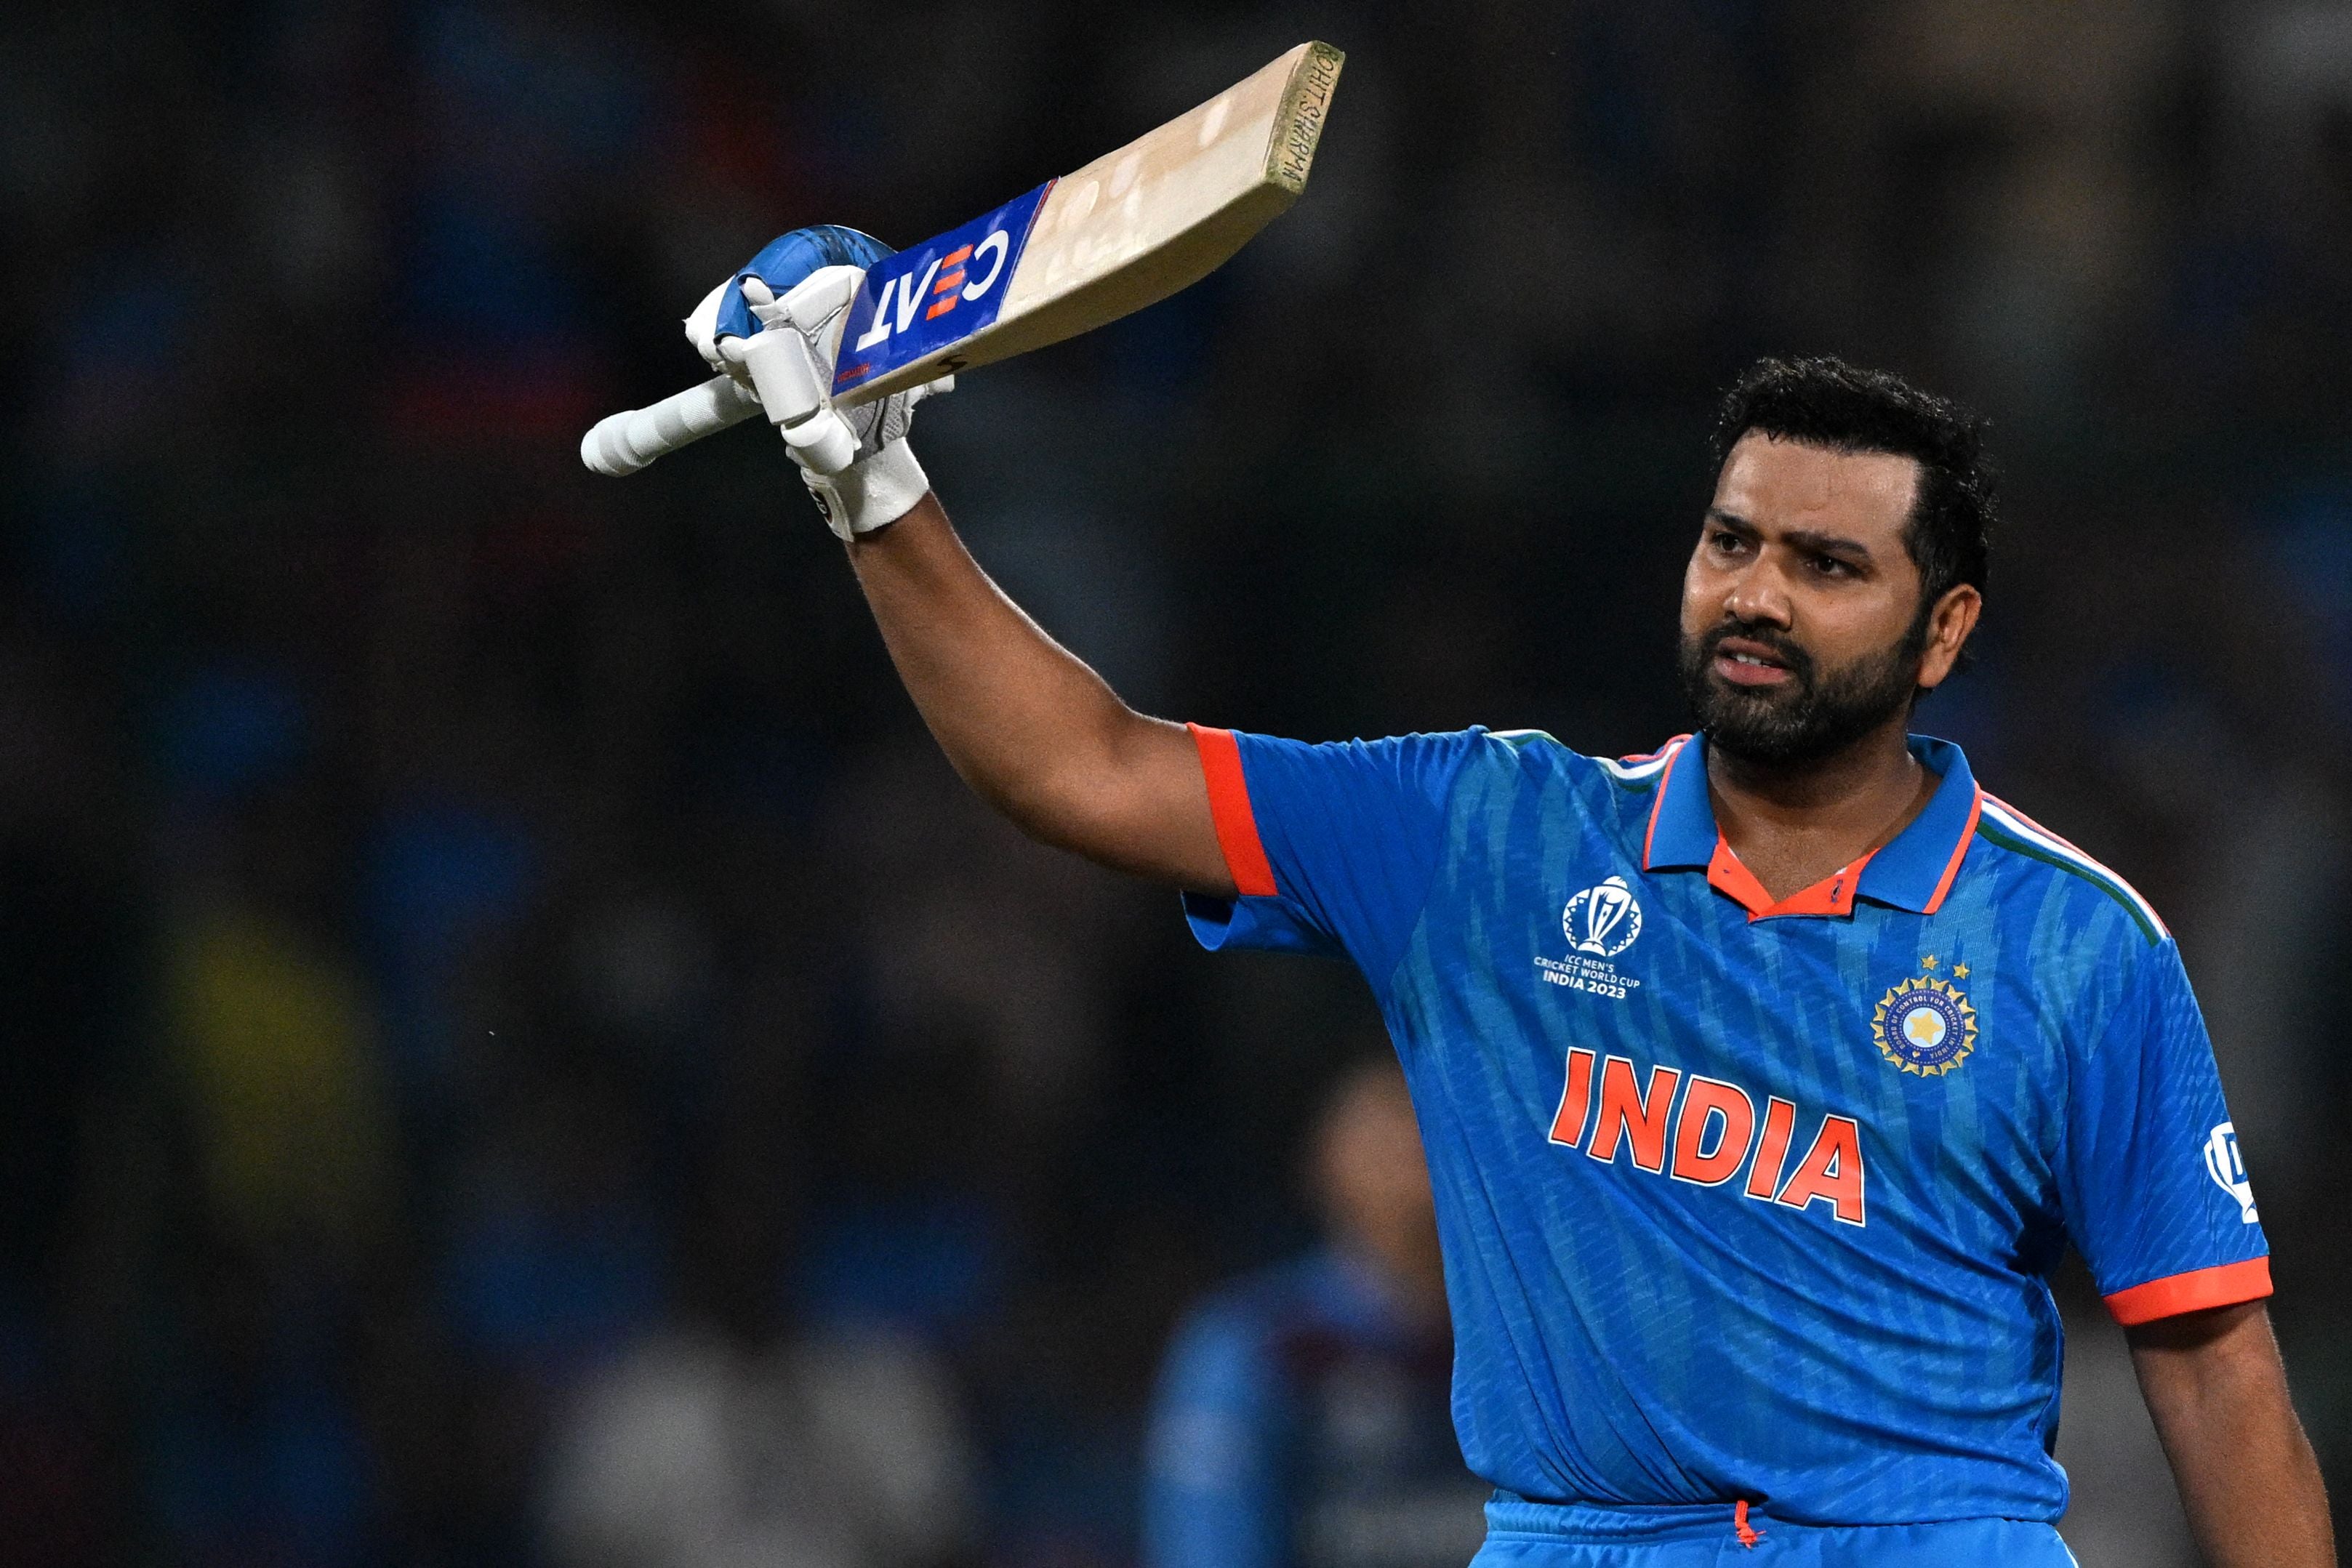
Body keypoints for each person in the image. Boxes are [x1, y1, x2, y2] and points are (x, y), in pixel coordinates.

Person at [702, 244, 2336, 1566]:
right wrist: (866, 481)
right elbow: (1078, 770)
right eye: (1730, 540)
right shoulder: (1485, 831)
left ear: (1946, 629)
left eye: (1829, 566)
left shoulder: (2076, 940)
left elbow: (2216, 1369)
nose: (1759, 590)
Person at [1144, 1058, 1489, 1568]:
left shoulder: (1536, 1344)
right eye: (1390, 1140)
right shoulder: (1258, 1342)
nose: (1416, 1162)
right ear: (1327, 1164)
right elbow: (1208, 1543)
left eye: (1436, 1134)